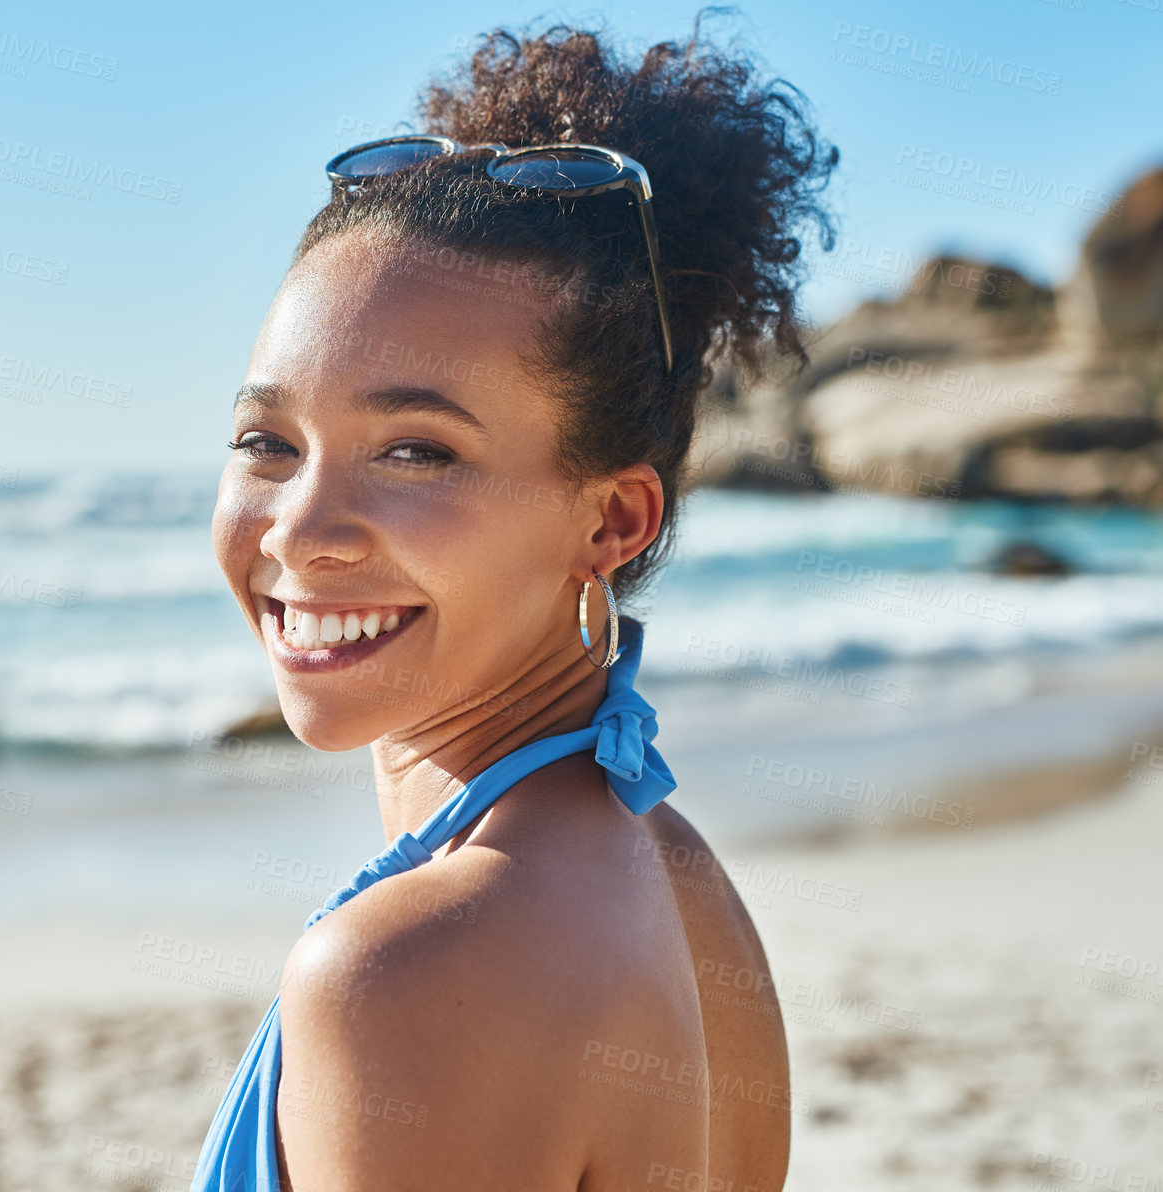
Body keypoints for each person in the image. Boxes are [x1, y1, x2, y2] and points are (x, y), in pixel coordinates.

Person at [195, 16, 839, 1191]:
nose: (297, 528)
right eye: (265, 439)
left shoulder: (401, 975)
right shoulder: (679, 881)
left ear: (612, 521)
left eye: (416, 452)